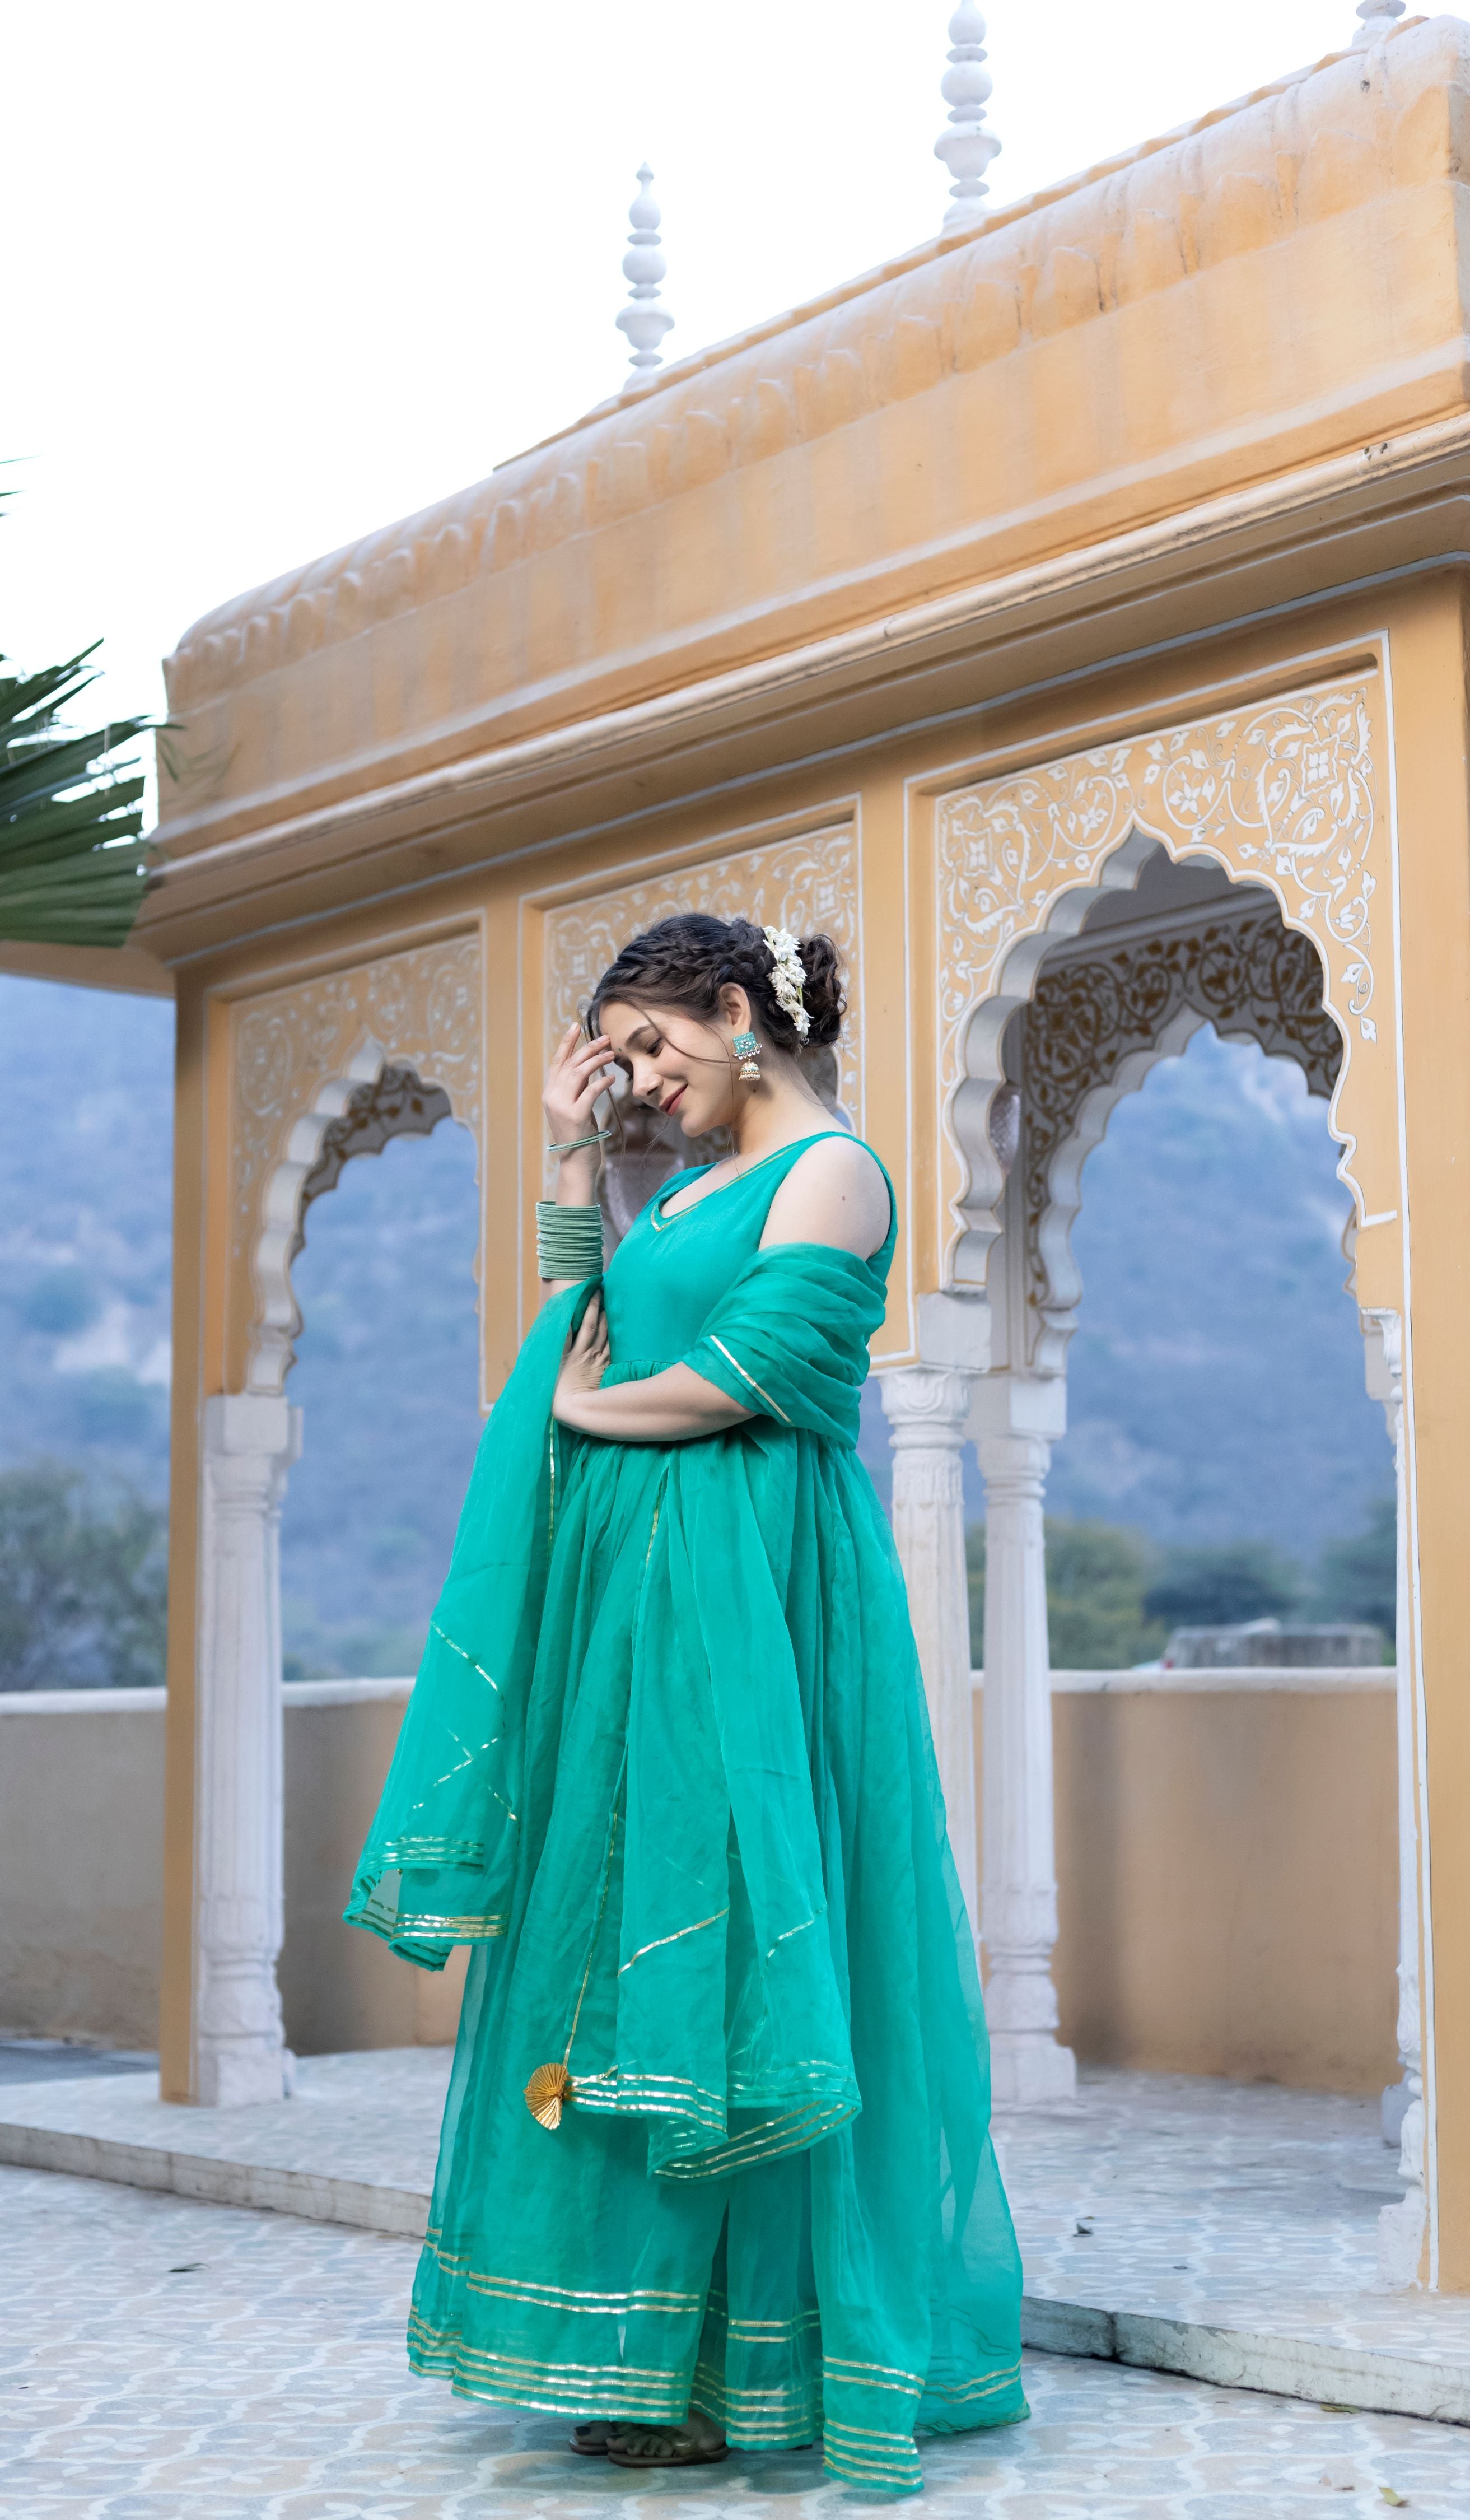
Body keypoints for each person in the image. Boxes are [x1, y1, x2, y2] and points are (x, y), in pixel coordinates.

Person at [346, 912, 1026, 2493]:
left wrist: (584, 1408)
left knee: (739, 1951)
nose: (642, 1077)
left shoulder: (831, 1173)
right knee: (618, 1947)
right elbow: (592, 1298)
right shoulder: (701, 1181)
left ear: (739, 1013)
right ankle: (650, 2346)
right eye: (623, 1055)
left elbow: (740, 1375)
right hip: (642, 1600)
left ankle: (750, 2358)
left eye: (655, 1045)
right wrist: (581, 1156)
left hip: (751, 1597)